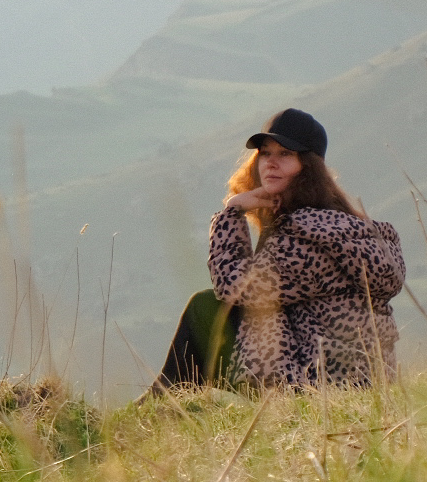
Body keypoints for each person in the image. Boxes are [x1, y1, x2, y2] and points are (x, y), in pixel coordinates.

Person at [153, 108, 406, 391]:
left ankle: (162, 402)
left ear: (308, 167)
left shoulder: (308, 235)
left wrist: (232, 212)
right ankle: (173, 402)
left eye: (285, 154)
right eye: (265, 153)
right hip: (344, 377)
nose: (271, 163)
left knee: (205, 306)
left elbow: (234, 287)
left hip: (319, 384)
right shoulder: (331, 223)